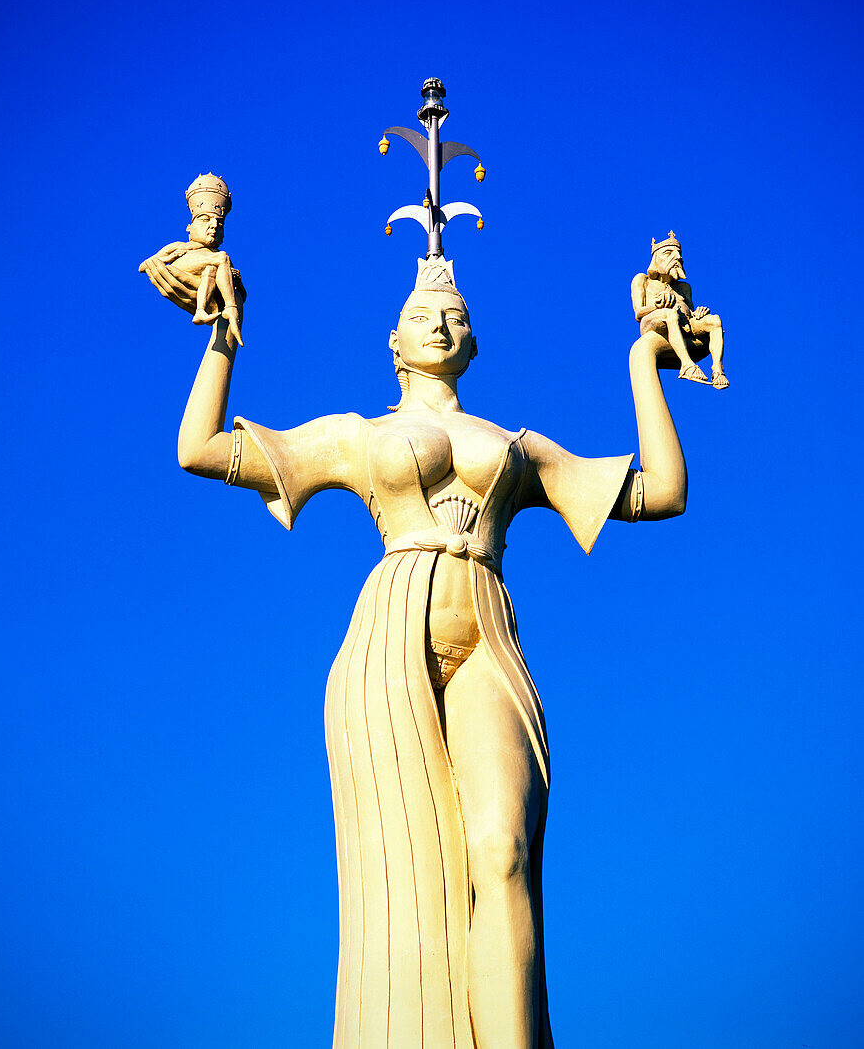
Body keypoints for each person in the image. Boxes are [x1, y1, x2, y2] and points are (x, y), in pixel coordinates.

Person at [144, 252, 688, 1049]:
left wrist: (647, 360)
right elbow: (198, 448)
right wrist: (223, 329)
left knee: (503, 853)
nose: (441, 321)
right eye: (425, 315)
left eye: (458, 317)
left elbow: (662, 493)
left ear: (473, 347)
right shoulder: (358, 435)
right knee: (400, 877)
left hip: (489, 632)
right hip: (390, 631)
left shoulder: (518, 447)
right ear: (393, 342)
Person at [139, 174, 243, 348]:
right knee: (221, 258)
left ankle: (201, 311)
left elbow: (241, 292)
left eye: (220, 223)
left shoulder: (214, 258)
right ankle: (231, 310)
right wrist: (169, 257)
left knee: (211, 268)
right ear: (189, 228)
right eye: (205, 219)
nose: (214, 226)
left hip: (207, 272)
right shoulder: (181, 246)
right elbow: (144, 266)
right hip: (182, 267)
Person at [632, 231, 729, 389]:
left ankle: (718, 370)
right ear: (656, 258)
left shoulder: (684, 287)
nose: (677, 257)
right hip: (653, 323)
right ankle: (687, 366)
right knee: (670, 313)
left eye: (678, 253)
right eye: (669, 253)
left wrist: (698, 313)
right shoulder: (642, 280)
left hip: (684, 324)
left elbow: (690, 312)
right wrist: (657, 306)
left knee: (714, 320)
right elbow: (638, 313)